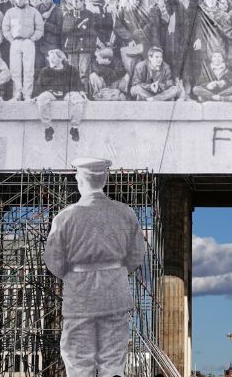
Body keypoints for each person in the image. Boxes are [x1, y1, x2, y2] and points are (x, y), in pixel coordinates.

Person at [45, 157, 145, 377]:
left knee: (78, 358)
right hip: (115, 293)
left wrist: (74, 274)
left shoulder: (66, 217)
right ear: (105, 178)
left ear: (80, 180)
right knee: (113, 357)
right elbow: (136, 254)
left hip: (80, 294)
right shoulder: (125, 213)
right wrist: (115, 271)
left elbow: (53, 259)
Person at [2, 0, 44, 101]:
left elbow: (40, 28)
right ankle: (17, 94)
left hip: (28, 42)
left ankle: (27, 94)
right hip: (15, 42)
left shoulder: (34, 11)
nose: (19, 0)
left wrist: (32, 38)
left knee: (28, 69)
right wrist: (11, 39)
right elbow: (5, 28)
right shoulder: (10, 12)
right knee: (15, 69)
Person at [34, 49, 86, 142]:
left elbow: (78, 82)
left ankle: (74, 128)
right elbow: (39, 85)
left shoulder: (71, 69)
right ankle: (48, 128)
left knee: (78, 100)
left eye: (54, 58)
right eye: (50, 58)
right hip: (51, 93)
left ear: (61, 59)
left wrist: (81, 91)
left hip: (67, 92)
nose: (51, 60)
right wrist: (37, 95)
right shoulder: (45, 71)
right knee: (41, 99)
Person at [62, 0, 97, 90]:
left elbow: (93, 31)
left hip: (85, 46)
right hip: (72, 46)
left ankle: (84, 92)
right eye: (74, 1)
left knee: (84, 71)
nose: (75, 3)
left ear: (83, 2)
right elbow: (66, 30)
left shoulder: (90, 14)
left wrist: (77, 29)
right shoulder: (68, 13)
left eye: (78, 1)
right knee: (72, 71)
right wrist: (80, 28)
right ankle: (73, 92)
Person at [36, 0, 64, 70]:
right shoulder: (37, 8)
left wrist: (44, 24)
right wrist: (41, 17)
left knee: (52, 68)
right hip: (38, 44)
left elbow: (59, 30)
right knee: (38, 69)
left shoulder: (58, 10)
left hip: (52, 45)